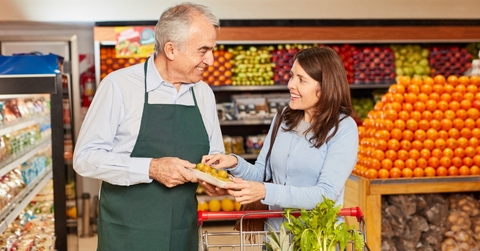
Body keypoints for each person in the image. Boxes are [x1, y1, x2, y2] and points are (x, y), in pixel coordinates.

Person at [73, 2, 226, 250]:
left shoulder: (204, 93)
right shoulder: (119, 86)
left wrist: (214, 176)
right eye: (203, 50)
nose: (210, 60)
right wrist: (152, 168)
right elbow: (85, 158)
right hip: (126, 233)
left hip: (181, 230)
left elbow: (214, 154)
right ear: (171, 49)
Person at [202, 46, 359, 231]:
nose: (291, 85)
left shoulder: (343, 128)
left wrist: (266, 191)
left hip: (318, 239)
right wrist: (233, 163)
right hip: (277, 238)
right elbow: (262, 173)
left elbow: (325, 194)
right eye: (292, 76)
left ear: (326, 86)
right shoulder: (284, 118)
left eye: (302, 80)